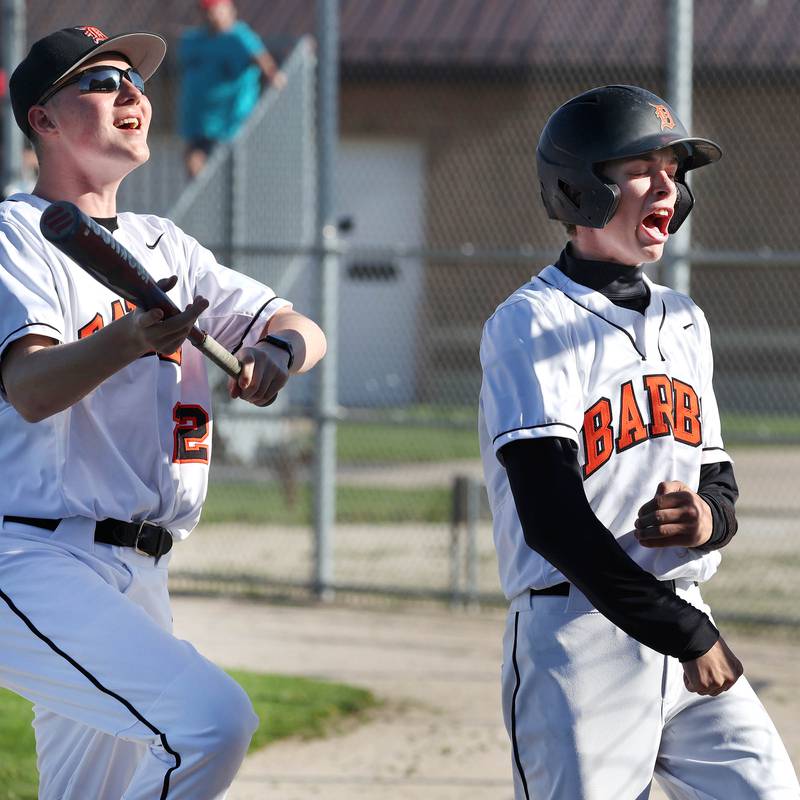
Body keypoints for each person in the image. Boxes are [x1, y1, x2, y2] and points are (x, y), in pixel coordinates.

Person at [0, 25, 325, 800]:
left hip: (142, 570)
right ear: (42, 119)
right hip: (34, 557)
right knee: (212, 723)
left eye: (135, 83)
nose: (131, 95)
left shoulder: (164, 245)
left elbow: (298, 326)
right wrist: (128, 340)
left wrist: (277, 357)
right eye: (102, 82)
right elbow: (32, 389)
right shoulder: (16, 233)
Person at [478, 85, 799, 800]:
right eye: (642, 165)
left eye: (674, 170)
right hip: (578, 637)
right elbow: (554, 521)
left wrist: (708, 518)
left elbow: (719, 477)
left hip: (682, 612)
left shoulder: (685, 320)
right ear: (580, 187)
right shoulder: (530, 322)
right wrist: (686, 632)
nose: (669, 184)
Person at [179, 0, 287, 178]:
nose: (212, 15)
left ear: (229, 9)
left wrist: (274, 78)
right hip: (198, 121)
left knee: (229, 175)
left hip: (230, 123)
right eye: (207, 10)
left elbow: (265, 64)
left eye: (216, 9)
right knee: (195, 165)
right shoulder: (193, 39)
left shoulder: (240, 38)